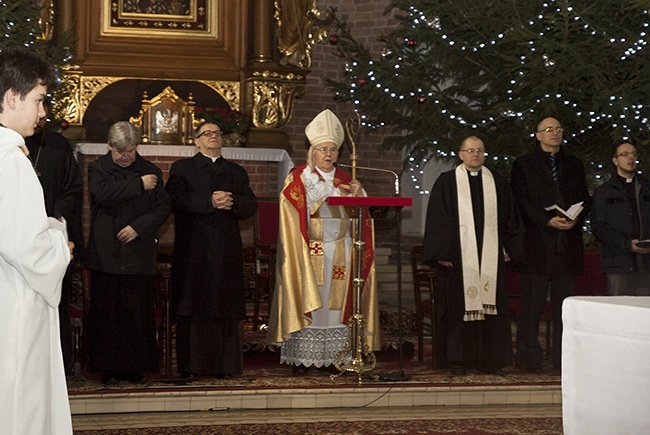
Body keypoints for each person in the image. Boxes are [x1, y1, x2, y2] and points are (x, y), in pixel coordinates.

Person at [267, 109, 381, 375]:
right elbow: (290, 211)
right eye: (322, 149)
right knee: (312, 298)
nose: (328, 155)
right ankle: (303, 359)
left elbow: (361, 217)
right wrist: (312, 195)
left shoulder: (345, 180)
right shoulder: (299, 178)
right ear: (312, 152)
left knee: (337, 303)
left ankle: (335, 355)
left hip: (341, 248)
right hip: (311, 250)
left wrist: (358, 194)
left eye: (333, 150)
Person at [0, 47, 74, 435]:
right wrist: (60, 246)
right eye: (38, 100)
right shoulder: (11, 160)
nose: (43, 112)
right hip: (17, 299)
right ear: (12, 97)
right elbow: (26, 247)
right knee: (20, 395)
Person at [423, 136, 524, 376]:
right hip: (458, 261)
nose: (475, 154)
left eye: (479, 150)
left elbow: (511, 217)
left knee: (492, 309)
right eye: (470, 150)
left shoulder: (497, 182)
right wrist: (443, 252)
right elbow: (439, 218)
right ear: (461, 154)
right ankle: (458, 360)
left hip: (490, 260)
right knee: (458, 308)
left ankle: (491, 360)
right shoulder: (448, 182)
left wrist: (509, 248)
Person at [166, 121, 257, 378]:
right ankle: (192, 368)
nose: (214, 137)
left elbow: (250, 204)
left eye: (217, 133)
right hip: (193, 248)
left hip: (226, 248)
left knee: (225, 303)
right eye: (207, 133)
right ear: (196, 141)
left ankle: (225, 367)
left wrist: (233, 201)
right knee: (193, 304)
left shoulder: (235, 171)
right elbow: (174, 201)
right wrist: (209, 202)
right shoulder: (182, 169)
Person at [85, 121, 171, 385]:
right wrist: (138, 185)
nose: (125, 156)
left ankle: (135, 368)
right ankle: (106, 369)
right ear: (109, 147)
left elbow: (162, 208)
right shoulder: (98, 168)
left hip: (138, 251)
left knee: (136, 314)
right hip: (106, 252)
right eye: (120, 151)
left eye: (130, 151)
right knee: (107, 313)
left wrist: (138, 227)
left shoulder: (151, 171)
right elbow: (101, 194)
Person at [510, 117, 591, 373]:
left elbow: (584, 199)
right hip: (537, 245)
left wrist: (574, 218)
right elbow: (521, 201)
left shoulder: (574, 165)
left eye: (558, 128)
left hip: (567, 245)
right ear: (537, 135)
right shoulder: (524, 165)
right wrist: (547, 220)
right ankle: (530, 358)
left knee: (564, 308)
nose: (554, 133)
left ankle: (562, 358)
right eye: (548, 130)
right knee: (531, 307)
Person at [25, 103, 83, 377]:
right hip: (18, 235)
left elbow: (73, 190)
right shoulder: (8, 146)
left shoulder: (58, 147)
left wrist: (55, 218)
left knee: (52, 303)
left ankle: (56, 367)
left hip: (49, 237)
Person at [591, 142, 650, 296]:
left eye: (633, 154)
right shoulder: (604, 192)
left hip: (646, 261)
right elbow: (599, 226)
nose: (630, 158)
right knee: (619, 309)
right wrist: (625, 244)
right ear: (615, 160)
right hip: (618, 261)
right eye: (625, 154)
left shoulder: (646, 187)